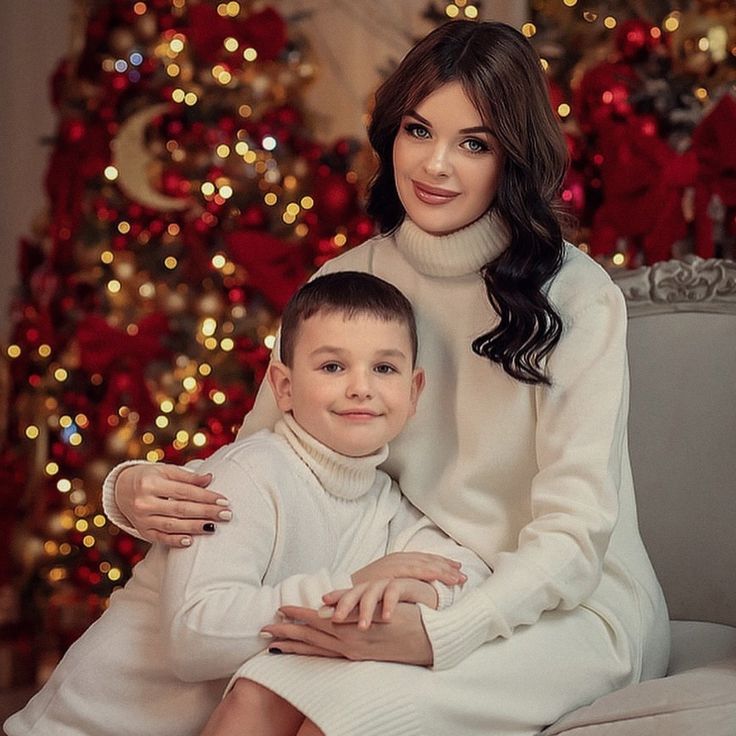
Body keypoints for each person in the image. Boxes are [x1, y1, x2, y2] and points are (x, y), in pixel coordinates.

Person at [101, 19, 671, 736]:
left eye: (474, 143)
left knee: (339, 719)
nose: (434, 166)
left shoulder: (578, 297)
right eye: (417, 130)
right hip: (403, 586)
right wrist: (126, 490)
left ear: (512, 158)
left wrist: (442, 634)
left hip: (569, 610)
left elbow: (574, 538)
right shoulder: (345, 280)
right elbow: (263, 458)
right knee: (254, 698)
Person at [5, 272, 490, 736]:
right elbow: (194, 637)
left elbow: (465, 574)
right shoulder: (247, 476)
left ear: (413, 390)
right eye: (332, 366)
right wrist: (354, 586)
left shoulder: (386, 504)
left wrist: (423, 593)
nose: (360, 386)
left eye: (384, 368)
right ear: (283, 387)